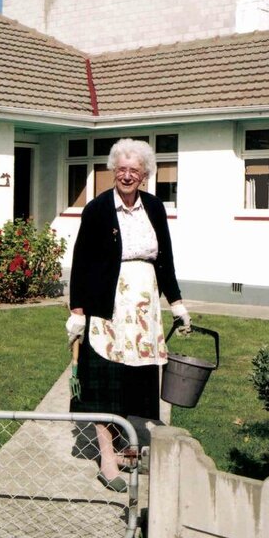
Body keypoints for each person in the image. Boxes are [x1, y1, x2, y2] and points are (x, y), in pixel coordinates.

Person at [66, 138, 190, 493]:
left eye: (134, 170)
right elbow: (82, 262)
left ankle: (126, 446)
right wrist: (78, 310)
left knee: (137, 382)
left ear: (145, 175)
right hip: (108, 309)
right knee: (105, 380)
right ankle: (107, 457)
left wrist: (177, 303)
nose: (126, 175)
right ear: (113, 171)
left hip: (145, 313)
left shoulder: (154, 207)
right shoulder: (97, 209)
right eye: (121, 169)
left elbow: (164, 258)